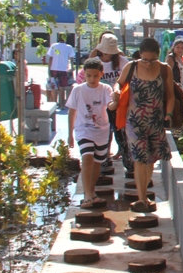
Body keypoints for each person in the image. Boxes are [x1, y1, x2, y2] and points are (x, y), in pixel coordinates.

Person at [116, 37, 176, 212]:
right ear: (140, 55)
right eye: (145, 59)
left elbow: (170, 95)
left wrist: (168, 115)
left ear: (158, 55)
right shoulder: (131, 67)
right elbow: (119, 84)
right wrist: (115, 93)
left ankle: (144, 194)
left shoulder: (164, 69)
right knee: (139, 158)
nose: (148, 63)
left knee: (150, 159)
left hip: (156, 120)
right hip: (134, 120)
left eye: (152, 60)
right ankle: (141, 198)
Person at [67, 57, 120, 207]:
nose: (92, 79)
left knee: (97, 162)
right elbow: (72, 111)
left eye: (95, 76)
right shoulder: (77, 90)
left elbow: (110, 106)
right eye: (89, 75)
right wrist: (70, 134)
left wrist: (116, 101)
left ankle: (91, 192)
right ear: (84, 74)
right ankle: (87, 196)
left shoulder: (105, 89)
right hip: (83, 130)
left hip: (101, 131)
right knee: (87, 158)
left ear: (101, 74)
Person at [94, 35, 131, 176]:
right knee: (103, 133)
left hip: (119, 103)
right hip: (101, 103)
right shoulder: (96, 62)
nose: (108, 55)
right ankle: (103, 162)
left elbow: (129, 76)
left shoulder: (122, 61)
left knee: (120, 133)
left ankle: (129, 164)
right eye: (106, 52)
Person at [45, 32, 75, 109]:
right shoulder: (69, 47)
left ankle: (54, 105)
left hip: (54, 69)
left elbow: (50, 58)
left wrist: (49, 69)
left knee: (54, 87)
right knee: (62, 87)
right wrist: (72, 68)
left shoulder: (54, 46)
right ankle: (62, 105)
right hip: (63, 69)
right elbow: (71, 59)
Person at [165, 37, 183, 114]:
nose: (180, 49)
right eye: (178, 47)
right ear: (174, 47)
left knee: (182, 107)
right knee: (176, 107)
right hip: (176, 86)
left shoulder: (181, 58)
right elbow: (167, 73)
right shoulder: (171, 58)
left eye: (182, 48)